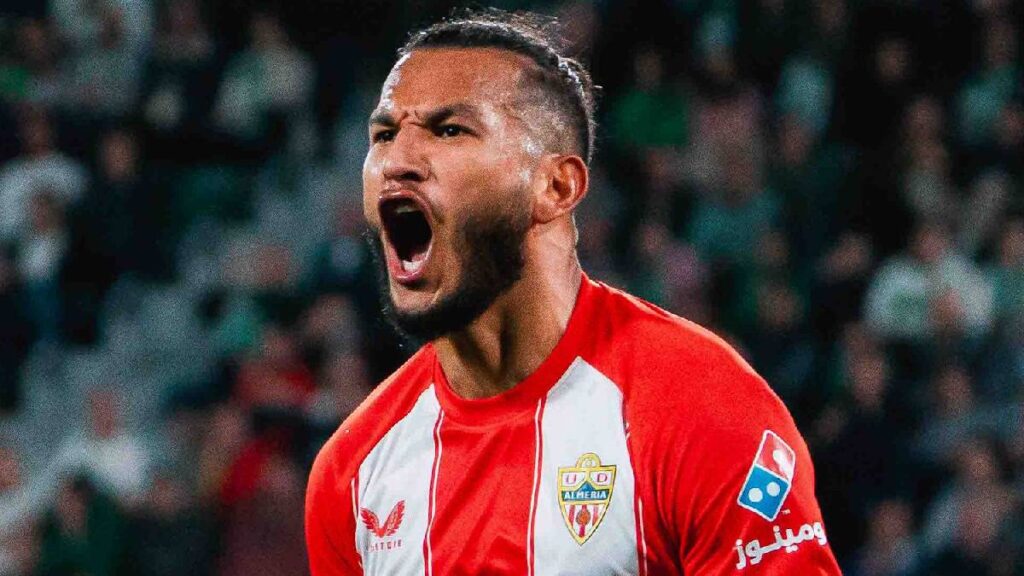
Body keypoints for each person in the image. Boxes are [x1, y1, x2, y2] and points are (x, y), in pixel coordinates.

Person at [305, 9, 841, 575]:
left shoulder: (699, 411)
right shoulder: (354, 474)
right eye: (385, 134)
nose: (397, 162)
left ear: (557, 187)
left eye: (449, 130)